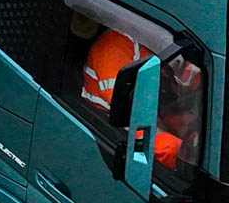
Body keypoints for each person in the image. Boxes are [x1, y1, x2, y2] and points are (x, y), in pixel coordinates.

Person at [81, 28, 201, 170]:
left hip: (151, 107)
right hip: (117, 118)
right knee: (172, 149)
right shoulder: (113, 46)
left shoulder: (150, 38)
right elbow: (125, 102)